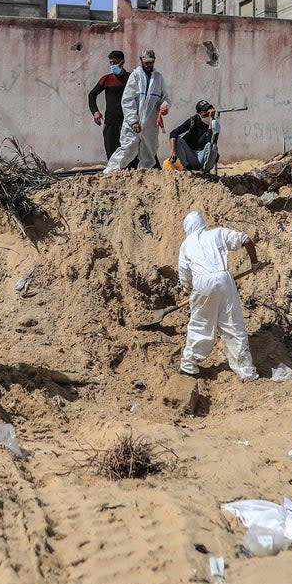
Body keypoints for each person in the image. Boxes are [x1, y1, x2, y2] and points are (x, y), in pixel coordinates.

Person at [177, 211, 260, 381]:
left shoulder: (186, 245)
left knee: (200, 324)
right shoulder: (218, 233)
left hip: (201, 283)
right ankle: (247, 371)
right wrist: (254, 262)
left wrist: (189, 290)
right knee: (233, 325)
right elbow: (247, 240)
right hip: (224, 280)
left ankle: (188, 366)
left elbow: (184, 275)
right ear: (202, 224)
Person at [103, 49, 169, 172]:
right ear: (141, 61)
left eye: (151, 62)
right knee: (127, 148)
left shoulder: (159, 78)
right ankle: (111, 171)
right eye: (146, 62)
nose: (149, 65)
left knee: (149, 150)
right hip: (133, 124)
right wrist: (133, 120)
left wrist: (164, 106)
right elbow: (127, 99)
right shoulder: (136, 75)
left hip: (150, 123)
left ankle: (144, 173)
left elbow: (164, 97)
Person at [88, 50, 130, 161]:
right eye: (110, 63)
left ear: (122, 62)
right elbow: (92, 95)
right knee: (111, 153)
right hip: (110, 122)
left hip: (127, 121)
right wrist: (95, 111)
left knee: (129, 152)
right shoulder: (106, 79)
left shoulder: (131, 78)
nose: (112, 65)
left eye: (115, 62)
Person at [168, 100, 219, 172]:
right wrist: (173, 151)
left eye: (209, 109)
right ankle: (186, 167)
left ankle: (205, 171)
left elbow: (210, 142)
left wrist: (212, 120)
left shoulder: (214, 124)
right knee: (178, 139)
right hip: (190, 155)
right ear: (199, 113)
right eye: (205, 111)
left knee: (213, 146)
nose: (208, 113)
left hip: (202, 156)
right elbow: (173, 133)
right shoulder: (193, 121)